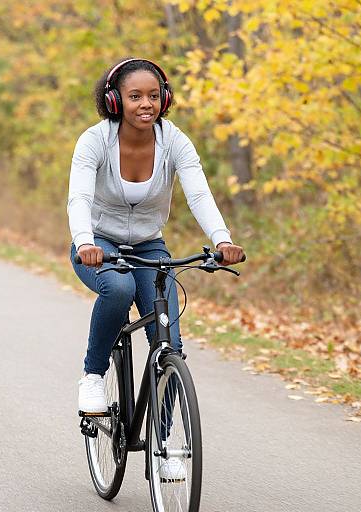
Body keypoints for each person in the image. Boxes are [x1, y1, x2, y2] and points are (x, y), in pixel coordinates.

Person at [68, 58, 244, 415]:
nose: (145, 104)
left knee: (170, 347)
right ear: (115, 101)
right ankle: (93, 376)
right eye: (134, 96)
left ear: (164, 98)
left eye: (153, 95)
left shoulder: (174, 140)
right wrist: (85, 242)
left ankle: (166, 451)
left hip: (149, 244)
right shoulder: (94, 141)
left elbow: (199, 195)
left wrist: (222, 239)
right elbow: (80, 197)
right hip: (98, 242)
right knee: (119, 289)